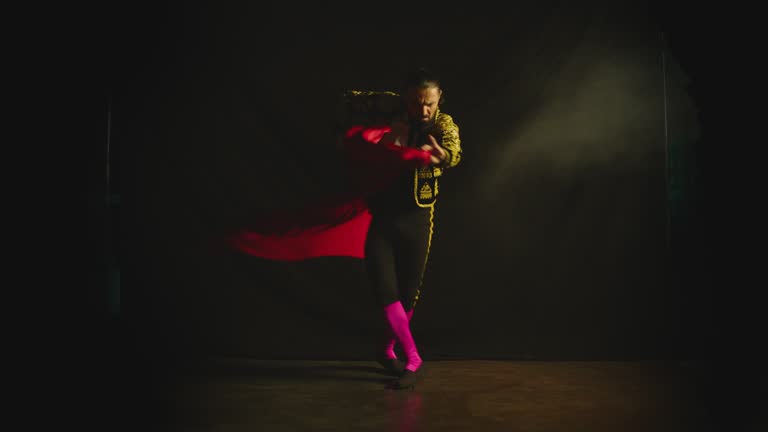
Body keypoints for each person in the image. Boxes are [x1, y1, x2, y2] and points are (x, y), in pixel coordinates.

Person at [341, 67, 462, 389]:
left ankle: (386, 349)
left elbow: (453, 151)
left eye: (430, 104)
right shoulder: (391, 106)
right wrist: (374, 125)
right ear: (405, 98)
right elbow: (351, 100)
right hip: (382, 216)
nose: (422, 110)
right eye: (415, 103)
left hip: (418, 220)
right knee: (385, 289)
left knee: (408, 293)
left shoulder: (443, 124)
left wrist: (441, 157)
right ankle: (413, 357)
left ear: (439, 102)